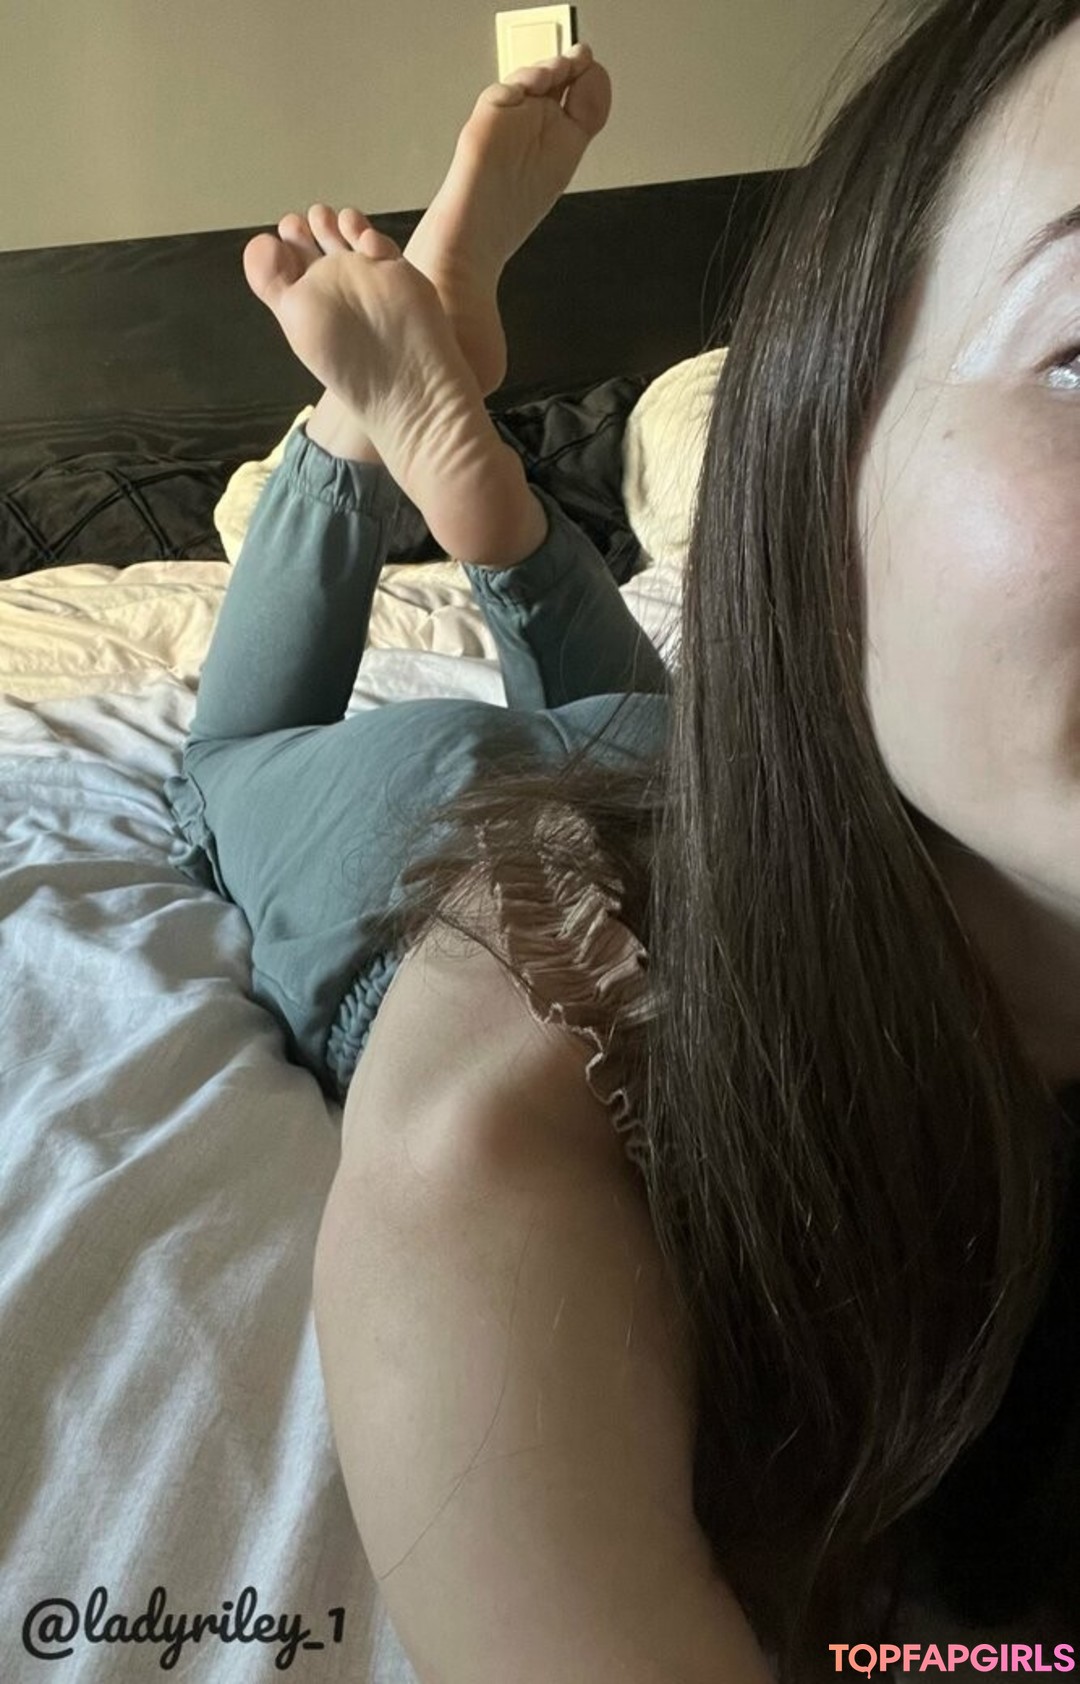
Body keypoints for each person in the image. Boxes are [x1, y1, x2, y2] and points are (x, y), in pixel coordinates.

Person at [162, 4, 1080, 1679]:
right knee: (231, 762)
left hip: (680, 774)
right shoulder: (517, 1116)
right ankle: (406, 433)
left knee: (576, 735)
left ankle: (419, 422)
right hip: (445, 849)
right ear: (812, 467)